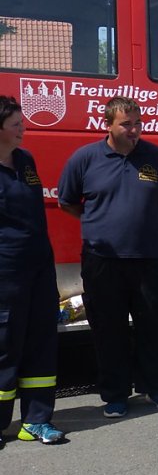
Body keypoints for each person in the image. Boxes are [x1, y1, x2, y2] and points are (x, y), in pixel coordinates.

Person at [58, 96, 158, 418]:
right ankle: (115, 395)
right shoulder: (85, 159)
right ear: (108, 124)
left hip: (148, 258)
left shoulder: (156, 158)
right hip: (102, 261)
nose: (134, 129)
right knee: (108, 330)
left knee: (152, 326)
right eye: (127, 124)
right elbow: (68, 202)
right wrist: (102, 220)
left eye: (138, 123)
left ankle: (157, 390)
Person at [0, 96, 64, 446]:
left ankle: (36, 421)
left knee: (42, 340)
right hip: (5, 270)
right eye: (15, 125)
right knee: (5, 344)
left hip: (39, 266)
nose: (23, 129)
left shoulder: (25, 161)